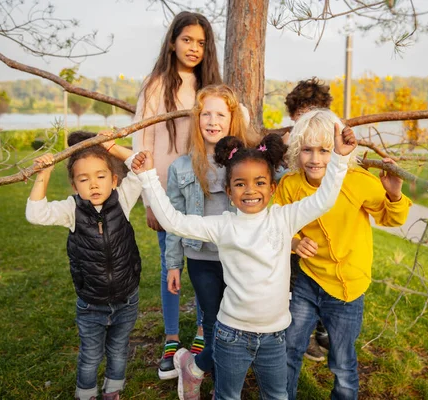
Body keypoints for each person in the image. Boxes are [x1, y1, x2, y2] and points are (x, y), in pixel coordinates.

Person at [133, 123, 358, 399]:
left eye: (260, 182)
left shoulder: (284, 219)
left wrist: (340, 158)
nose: (250, 190)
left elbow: (324, 200)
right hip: (231, 336)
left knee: (276, 395)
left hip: (275, 337)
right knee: (227, 395)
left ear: (272, 187)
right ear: (229, 191)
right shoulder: (223, 226)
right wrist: (148, 178)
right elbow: (174, 222)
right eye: (240, 184)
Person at [274, 109, 412, 400]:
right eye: (307, 150)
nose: (315, 159)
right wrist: (296, 243)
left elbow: (392, 218)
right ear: (297, 150)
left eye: (325, 150)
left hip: (348, 288)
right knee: (289, 346)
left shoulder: (357, 180)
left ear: (337, 151)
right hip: (308, 281)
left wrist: (395, 195)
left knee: (342, 361)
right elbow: (275, 226)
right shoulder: (290, 185)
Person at [131, 10, 222, 380]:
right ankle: (171, 338)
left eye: (201, 42)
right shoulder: (156, 85)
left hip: (204, 192)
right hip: (165, 193)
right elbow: (143, 140)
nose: (194, 48)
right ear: (172, 41)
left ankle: (202, 332)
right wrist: (150, 198)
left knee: (205, 265)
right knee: (170, 266)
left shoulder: (209, 86)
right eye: (187, 40)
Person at [25, 131, 144, 400]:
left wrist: (112, 147)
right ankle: (86, 394)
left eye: (101, 176)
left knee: (118, 349)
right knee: (91, 355)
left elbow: (141, 167)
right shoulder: (72, 209)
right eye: (84, 179)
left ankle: (113, 391)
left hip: (127, 299)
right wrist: (43, 174)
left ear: (114, 180)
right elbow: (36, 213)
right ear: (74, 185)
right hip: (92, 303)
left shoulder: (122, 200)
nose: (93, 184)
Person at [163, 84, 251, 399]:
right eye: (206, 114)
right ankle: (222, 389)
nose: (212, 121)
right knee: (215, 325)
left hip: (238, 256)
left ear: (232, 120)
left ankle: (195, 366)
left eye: (221, 115)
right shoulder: (182, 167)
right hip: (201, 259)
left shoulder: (245, 161)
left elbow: (278, 181)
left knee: (238, 325)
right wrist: (173, 264)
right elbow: (173, 220)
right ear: (198, 120)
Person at [284, 77, 334, 361]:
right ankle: (303, 336)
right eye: (303, 114)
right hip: (294, 228)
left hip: (324, 228)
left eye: (316, 113)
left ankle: (323, 326)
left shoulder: (328, 145)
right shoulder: (288, 144)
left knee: (324, 279)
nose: (309, 121)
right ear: (293, 116)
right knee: (296, 285)